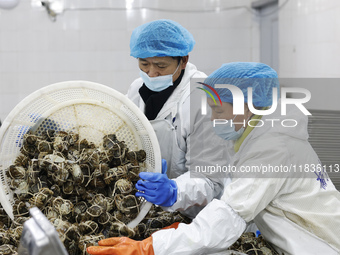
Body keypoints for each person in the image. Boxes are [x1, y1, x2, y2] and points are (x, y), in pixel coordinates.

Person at [87, 62, 340, 255]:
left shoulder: (272, 148)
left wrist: (150, 247)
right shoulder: (252, 135)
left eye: (218, 109)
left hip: (315, 245)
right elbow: (219, 180)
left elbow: (228, 215)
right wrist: (175, 190)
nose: (212, 117)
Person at [126, 19, 228, 217]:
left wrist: (173, 191)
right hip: (150, 208)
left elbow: (210, 179)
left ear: (183, 61)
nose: (152, 73)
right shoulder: (135, 90)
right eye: (144, 64)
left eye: (161, 66)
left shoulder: (203, 98)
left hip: (196, 215)